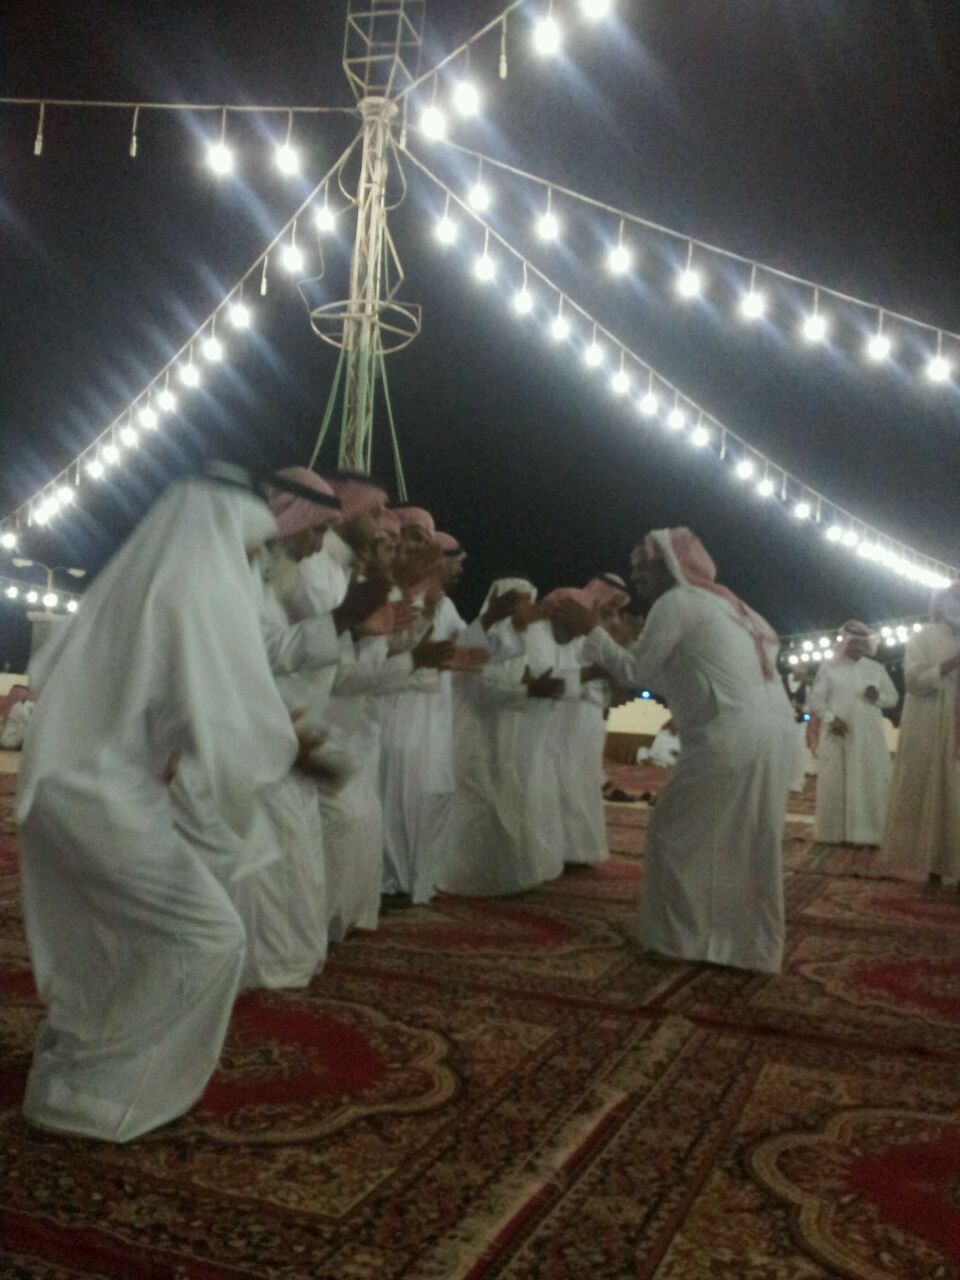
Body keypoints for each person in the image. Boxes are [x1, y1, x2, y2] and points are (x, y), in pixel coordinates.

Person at [15, 465, 308, 1142]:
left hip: (76, 782)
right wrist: (289, 746)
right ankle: (103, 1095)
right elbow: (222, 715)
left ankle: (77, 1068)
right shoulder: (197, 590)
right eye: (253, 542)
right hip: (104, 798)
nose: (257, 556)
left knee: (118, 937)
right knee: (209, 937)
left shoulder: (147, 582)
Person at [561, 527, 795, 974]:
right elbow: (675, 676)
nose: (636, 579)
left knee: (673, 834)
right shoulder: (735, 608)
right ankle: (746, 946)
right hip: (774, 735)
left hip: (728, 736)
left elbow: (635, 671)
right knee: (749, 843)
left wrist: (591, 631)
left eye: (642, 569)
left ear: (668, 565)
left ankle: (677, 940)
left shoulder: (677, 602)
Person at [439, 577, 564, 896]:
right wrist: (527, 690)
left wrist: (534, 688)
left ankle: (500, 876)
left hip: (505, 736)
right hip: (474, 733)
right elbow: (481, 689)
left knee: (505, 799)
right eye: (522, 602)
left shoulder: (520, 642)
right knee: (478, 802)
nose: (529, 609)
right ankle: (463, 879)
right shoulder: (481, 638)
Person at [883, 584, 960, 886]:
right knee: (939, 791)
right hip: (934, 724)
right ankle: (936, 863)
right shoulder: (923, 637)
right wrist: (952, 664)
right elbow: (913, 681)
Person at [807, 621, 898, 846]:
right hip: (838, 733)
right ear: (845, 643)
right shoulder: (830, 667)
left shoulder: (876, 668)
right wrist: (831, 719)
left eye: (862, 643)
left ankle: (868, 833)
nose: (858, 647)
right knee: (835, 781)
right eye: (854, 643)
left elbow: (893, 698)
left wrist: (878, 697)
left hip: (868, 734)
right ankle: (833, 833)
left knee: (869, 778)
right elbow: (816, 700)